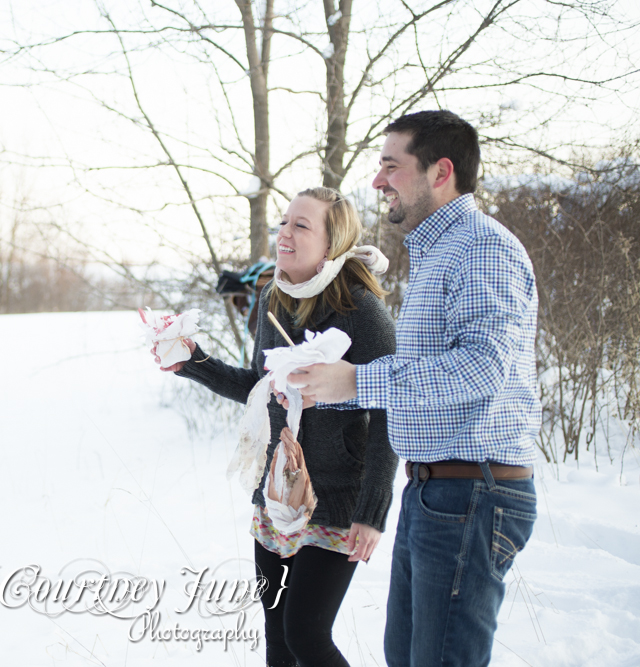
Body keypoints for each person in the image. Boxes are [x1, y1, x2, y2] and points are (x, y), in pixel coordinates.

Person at [291, 111, 540, 667]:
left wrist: (358, 380)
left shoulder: (480, 249)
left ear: (440, 171)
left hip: (473, 492)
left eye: (391, 167)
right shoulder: (437, 252)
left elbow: (480, 368)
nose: (378, 182)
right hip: (435, 491)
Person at [159, 187, 398, 667]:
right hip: (277, 493)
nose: (284, 233)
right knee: (277, 638)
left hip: (335, 501)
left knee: (306, 634)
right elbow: (258, 386)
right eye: (284, 222)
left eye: (301, 226)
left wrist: (372, 509)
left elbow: (392, 413)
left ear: (331, 246)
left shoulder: (361, 313)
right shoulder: (272, 297)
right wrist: (192, 361)